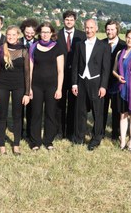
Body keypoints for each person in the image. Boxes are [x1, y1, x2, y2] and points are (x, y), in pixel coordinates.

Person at [72, 19, 111, 151]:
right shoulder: (79, 45)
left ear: (96, 29)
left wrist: (103, 86)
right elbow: (75, 66)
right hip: (81, 81)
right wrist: (74, 84)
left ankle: (96, 138)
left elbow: (106, 69)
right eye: (86, 27)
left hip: (96, 82)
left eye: (91, 27)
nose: (89, 30)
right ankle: (79, 137)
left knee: (97, 112)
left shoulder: (104, 46)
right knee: (80, 112)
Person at [0, 26, 31, 155]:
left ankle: (16, 144)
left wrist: (27, 92)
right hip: (2, 86)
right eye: (8, 35)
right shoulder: (0, 49)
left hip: (19, 86)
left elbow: (27, 72)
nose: (11, 37)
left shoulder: (24, 50)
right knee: (2, 115)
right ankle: (2, 145)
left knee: (17, 115)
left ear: (18, 35)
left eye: (13, 35)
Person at [29, 22, 64, 150]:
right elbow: (30, 69)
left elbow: (60, 71)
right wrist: (29, 88)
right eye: (42, 32)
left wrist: (59, 88)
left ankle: (48, 141)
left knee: (50, 114)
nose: (44, 34)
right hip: (36, 86)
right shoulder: (33, 47)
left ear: (51, 33)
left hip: (52, 87)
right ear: (39, 33)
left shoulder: (57, 47)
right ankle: (35, 142)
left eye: (47, 32)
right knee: (36, 113)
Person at [56, 10, 86, 140]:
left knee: (74, 104)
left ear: (75, 21)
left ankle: (71, 132)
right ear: (64, 21)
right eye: (67, 19)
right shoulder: (56, 35)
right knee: (59, 104)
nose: (69, 22)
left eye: (71, 19)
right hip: (60, 74)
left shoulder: (81, 36)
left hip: (75, 75)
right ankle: (59, 131)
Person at [102, 20, 126, 141]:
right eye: (108, 29)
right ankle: (100, 132)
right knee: (101, 108)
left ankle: (115, 134)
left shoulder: (124, 45)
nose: (109, 31)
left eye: (112, 29)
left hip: (117, 82)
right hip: (102, 82)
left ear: (117, 30)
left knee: (116, 109)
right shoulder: (100, 43)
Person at [19, 18, 39, 138]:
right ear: (23, 31)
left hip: (34, 79)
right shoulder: (17, 42)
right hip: (19, 79)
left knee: (32, 107)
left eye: (32, 32)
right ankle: (20, 131)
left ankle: (31, 131)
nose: (29, 35)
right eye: (27, 32)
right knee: (19, 107)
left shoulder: (39, 43)